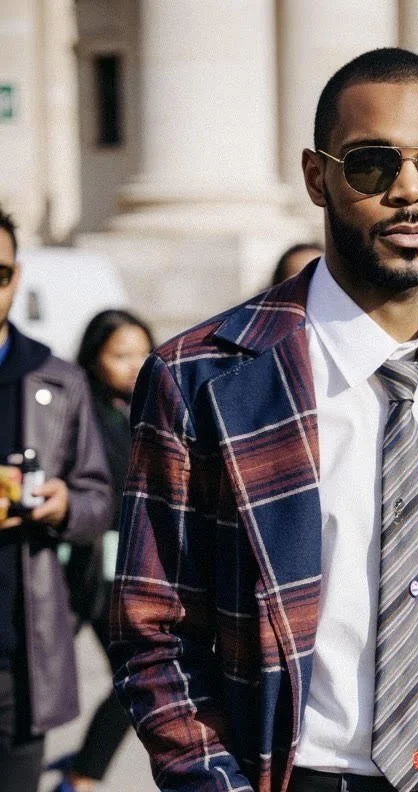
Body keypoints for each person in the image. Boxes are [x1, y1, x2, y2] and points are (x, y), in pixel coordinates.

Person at [110, 48, 418, 792]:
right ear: (318, 176)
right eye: (373, 164)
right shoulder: (204, 379)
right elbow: (152, 629)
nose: (411, 192)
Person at [0, 206, 112, 791]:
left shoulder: (56, 379)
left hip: (17, 657)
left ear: (16, 278)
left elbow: (99, 500)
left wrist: (64, 503)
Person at [48, 310, 154, 792]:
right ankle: (81, 774)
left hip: (135, 567)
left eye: (142, 353)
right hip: (86, 569)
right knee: (136, 677)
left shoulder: (152, 405)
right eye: (120, 356)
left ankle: (82, 772)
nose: (135, 365)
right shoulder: (79, 411)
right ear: (93, 360)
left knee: (137, 679)